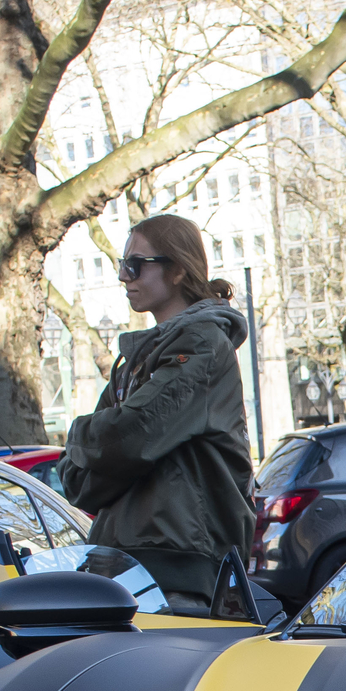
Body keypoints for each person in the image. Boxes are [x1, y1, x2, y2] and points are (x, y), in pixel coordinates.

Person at [61, 215, 252, 615]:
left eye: (135, 265)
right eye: (121, 265)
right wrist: (105, 446)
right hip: (127, 564)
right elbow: (79, 482)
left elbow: (129, 435)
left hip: (178, 570)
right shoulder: (135, 360)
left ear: (178, 269)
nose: (123, 277)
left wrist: (79, 433)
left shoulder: (202, 343)